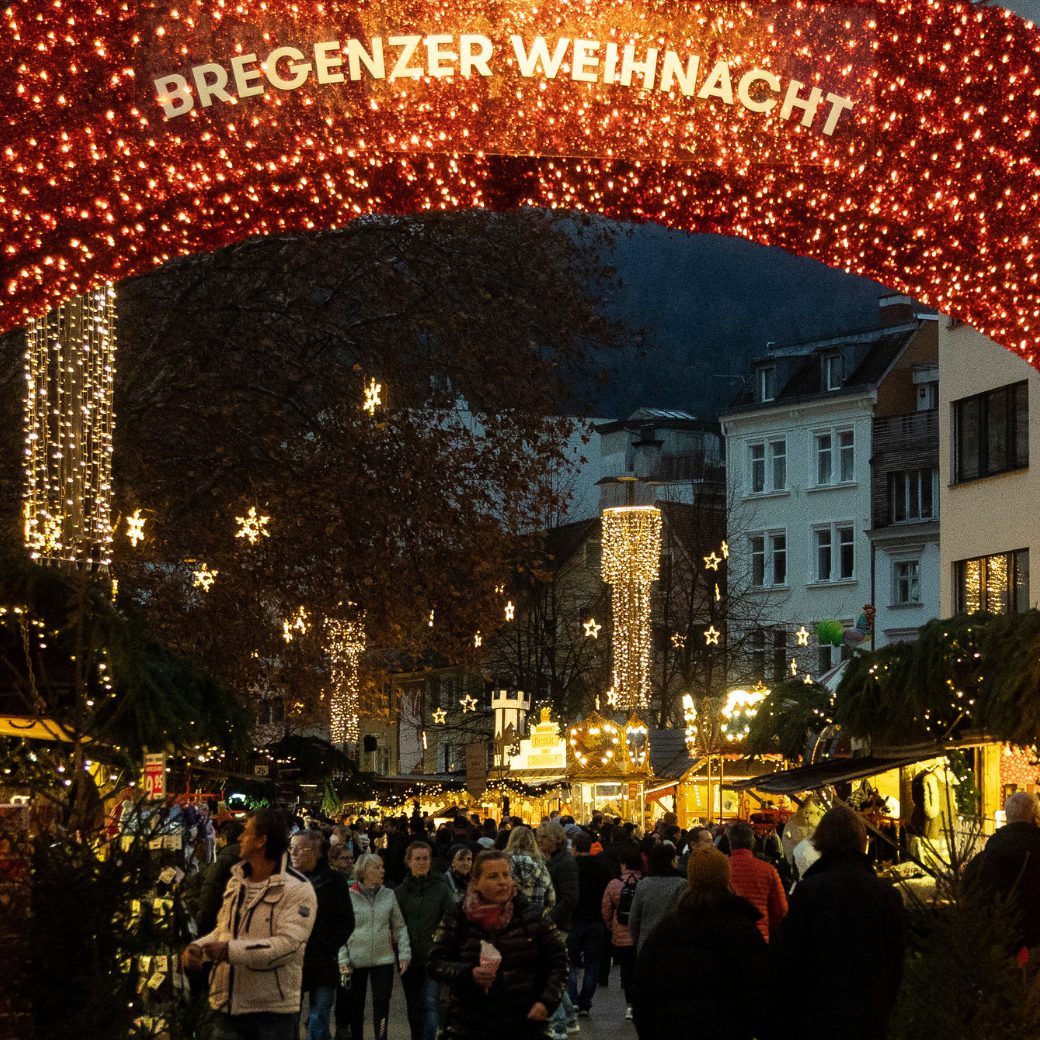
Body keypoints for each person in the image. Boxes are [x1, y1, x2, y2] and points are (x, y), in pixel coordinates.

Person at [182, 808, 317, 1040]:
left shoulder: (297, 889)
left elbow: (287, 946)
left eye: (246, 832)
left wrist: (229, 951)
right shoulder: (237, 881)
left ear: (261, 841)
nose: (239, 838)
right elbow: (224, 930)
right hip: (226, 1006)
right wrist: (199, 949)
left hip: (270, 1013)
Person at [773, 805, 906, 1040]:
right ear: (861, 839)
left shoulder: (808, 892)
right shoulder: (886, 895)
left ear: (821, 839)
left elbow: (788, 958)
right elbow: (896, 959)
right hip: (870, 1012)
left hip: (818, 1013)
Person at [427, 850, 569, 1040]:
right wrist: (469, 973)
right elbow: (435, 962)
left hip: (524, 1024)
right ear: (476, 881)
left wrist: (546, 1002)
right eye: (493, 876)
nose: (502, 882)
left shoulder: (532, 916)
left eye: (506, 875)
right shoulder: (459, 916)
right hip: (471, 1025)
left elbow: (559, 962)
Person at [634, 847, 768, 1040]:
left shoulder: (667, 929)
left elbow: (643, 990)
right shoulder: (742, 928)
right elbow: (759, 989)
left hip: (674, 1028)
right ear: (725, 876)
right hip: (729, 1028)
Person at [289, 829, 355, 1040]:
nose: (293, 853)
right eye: (291, 848)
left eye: (299, 848)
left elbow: (346, 922)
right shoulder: (288, 880)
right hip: (293, 961)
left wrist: (327, 947)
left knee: (319, 1019)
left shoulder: (333, 881)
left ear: (316, 851)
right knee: (289, 1019)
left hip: (323, 961)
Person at [339, 852, 412, 1040]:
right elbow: (340, 931)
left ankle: (382, 1037)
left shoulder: (388, 895)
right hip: (356, 961)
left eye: (382, 867)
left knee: (382, 1005)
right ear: (363, 871)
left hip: (383, 960)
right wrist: (343, 959)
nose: (382, 871)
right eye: (376, 867)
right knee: (356, 1006)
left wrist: (404, 953)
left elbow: (399, 927)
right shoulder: (349, 896)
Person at [965, 790, 1040, 951]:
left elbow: (968, 905)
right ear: (1035, 819)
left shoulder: (980, 863)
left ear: (1006, 818)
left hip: (994, 956)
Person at [395, 841, 455, 1040]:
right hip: (409, 957)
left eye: (425, 858)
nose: (421, 863)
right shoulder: (401, 892)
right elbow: (396, 922)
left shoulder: (441, 889)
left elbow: (451, 918)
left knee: (430, 1002)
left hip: (433, 956)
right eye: (417, 859)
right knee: (413, 1004)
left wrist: (441, 941)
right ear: (409, 861)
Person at [537, 821, 580, 1039]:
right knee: (550, 972)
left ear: (555, 838)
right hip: (554, 924)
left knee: (548, 973)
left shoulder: (564, 862)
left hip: (558, 926)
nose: (540, 841)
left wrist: (550, 919)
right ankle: (570, 1017)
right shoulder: (551, 860)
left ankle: (562, 1023)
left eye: (543, 837)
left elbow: (570, 898)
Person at [566, 831, 614, 1017]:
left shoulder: (571, 867)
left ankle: (573, 998)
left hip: (574, 919)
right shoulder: (602, 867)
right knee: (592, 962)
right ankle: (585, 1001)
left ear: (575, 848)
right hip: (596, 919)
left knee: (570, 961)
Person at [725, 821, 788, 942]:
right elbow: (781, 909)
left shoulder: (722, 868)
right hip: (760, 934)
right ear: (752, 843)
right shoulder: (768, 870)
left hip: (727, 937)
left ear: (730, 844)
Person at [601, 846, 643, 1019]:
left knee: (626, 970)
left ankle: (630, 1005)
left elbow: (606, 909)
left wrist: (613, 926)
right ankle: (641, 1000)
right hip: (641, 935)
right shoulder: (645, 883)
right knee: (640, 969)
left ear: (623, 864)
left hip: (622, 934)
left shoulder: (615, 884)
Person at [628, 843, 686, 954]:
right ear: (672, 861)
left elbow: (634, 919)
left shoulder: (643, 884)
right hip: (674, 945)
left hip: (646, 944)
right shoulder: (682, 885)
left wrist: (638, 942)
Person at [506, 825, 556, 917]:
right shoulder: (540, 864)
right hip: (534, 920)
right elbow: (551, 899)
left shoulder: (503, 862)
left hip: (509, 921)